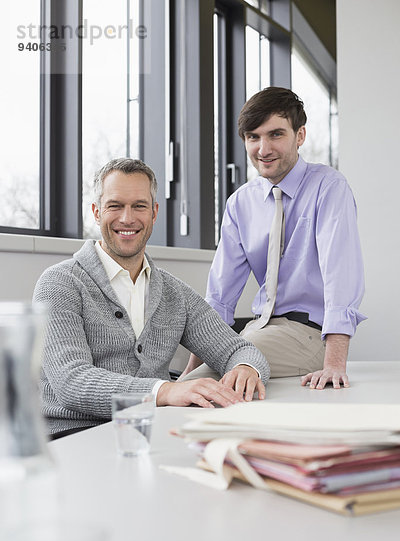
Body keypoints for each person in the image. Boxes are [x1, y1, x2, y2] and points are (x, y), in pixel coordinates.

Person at [33, 158, 269, 436]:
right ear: (96, 212)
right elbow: (71, 383)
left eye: (139, 206)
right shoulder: (59, 284)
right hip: (74, 435)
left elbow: (239, 349)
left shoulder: (174, 293)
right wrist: (165, 390)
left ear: (154, 213)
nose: (127, 218)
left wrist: (245, 368)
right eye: (115, 206)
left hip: (151, 431)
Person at [181, 87, 366, 390]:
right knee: (189, 369)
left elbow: (341, 276)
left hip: (309, 334)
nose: (263, 149)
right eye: (253, 137)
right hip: (259, 328)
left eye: (276, 134)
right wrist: (195, 360)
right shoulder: (241, 203)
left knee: (211, 377)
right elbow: (220, 293)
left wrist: (333, 364)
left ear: (300, 135)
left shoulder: (329, 187)